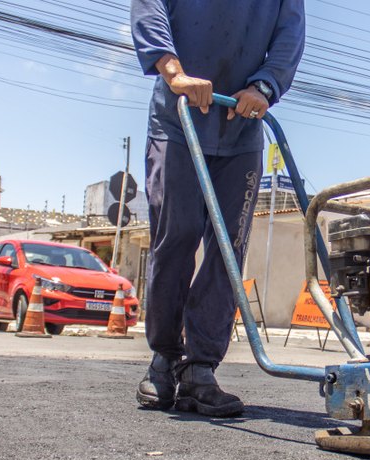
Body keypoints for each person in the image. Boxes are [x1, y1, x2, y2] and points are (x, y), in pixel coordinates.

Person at [130, 1, 305, 417]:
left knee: (229, 248)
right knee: (178, 235)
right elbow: (150, 9)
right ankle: (165, 359)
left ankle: (200, 369)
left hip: (240, 127)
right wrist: (174, 73)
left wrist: (263, 88)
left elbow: (289, 36)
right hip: (178, 121)